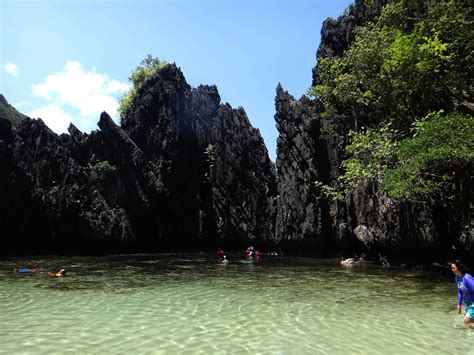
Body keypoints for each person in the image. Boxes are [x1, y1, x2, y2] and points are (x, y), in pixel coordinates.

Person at [450, 260, 474, 326]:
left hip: (473, 304)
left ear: (459, 268)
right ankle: (467, 336)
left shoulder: (466, 278)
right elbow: (460, 291)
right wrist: (459, 304)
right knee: (468, 325)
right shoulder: (457, 278)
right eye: (451, 268)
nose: (452, 270)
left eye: (453, 268)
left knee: (467, 321)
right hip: (468, 305)